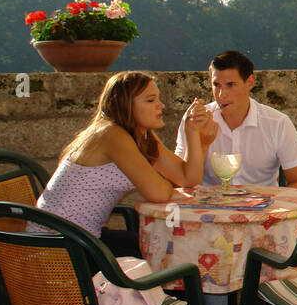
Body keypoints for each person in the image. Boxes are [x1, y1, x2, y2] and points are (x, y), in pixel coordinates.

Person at [176, 49, 297, 305]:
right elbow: (185, 183)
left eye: (230, 85)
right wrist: (197, 138)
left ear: (250, 82)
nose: (221, 93)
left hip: (261, 214)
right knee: (212, 242)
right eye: (215, 85)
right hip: (214, 216)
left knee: (284, 233)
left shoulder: (276, 123)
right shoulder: (197, 121)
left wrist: (267, 205)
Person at [38, 71, 213, 256]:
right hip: (59, 245)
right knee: (168, 255)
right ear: (126, 104)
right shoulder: (112, 135)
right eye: (151, 100)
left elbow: (188, 179)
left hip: (85, 237)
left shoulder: (141, 136)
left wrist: (193, 132)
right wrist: (161, 183)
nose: (161, 106)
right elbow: (159, 194)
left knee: (171, 250)